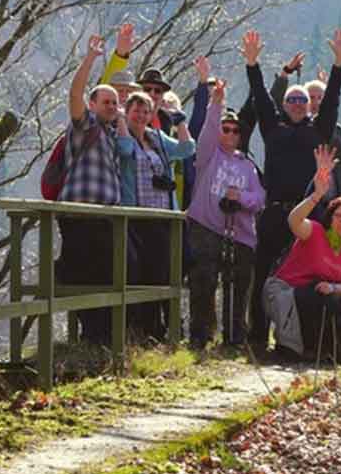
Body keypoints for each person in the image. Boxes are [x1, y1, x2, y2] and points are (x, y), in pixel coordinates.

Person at [243, 27, 341, 353]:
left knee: (303, 277)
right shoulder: (272, 127)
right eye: (293, 100)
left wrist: (339, 63)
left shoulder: (319, 131)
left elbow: (330, 102)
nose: (299, 104)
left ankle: (299, 340)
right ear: (284, 104)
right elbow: (260, 97)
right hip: (274, 211)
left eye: (303, 100)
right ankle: (258, 336)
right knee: (262, 274)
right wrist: (252, 64)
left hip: (308, 214)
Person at [186, 80, 265, 349]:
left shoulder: (248, 166)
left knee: (239, 286)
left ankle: (235, 337)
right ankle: (200, 334)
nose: (230, 134)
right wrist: (216, 103)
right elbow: (207, 131)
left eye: (235, 131)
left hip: (240, 233)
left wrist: (240, 198)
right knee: (204, 280)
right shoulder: (208, 154)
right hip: (206, 226)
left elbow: (259, 198)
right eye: (226, 129)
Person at [262, 146, 341, 361]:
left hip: (317, 297)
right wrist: (316, 195)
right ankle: (294, 347)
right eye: (340, 216)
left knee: (330, 300)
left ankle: (321, 350)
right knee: (316, 296)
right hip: (285, 292)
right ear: (330, 216)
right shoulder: (315, 231)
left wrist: (332, 287)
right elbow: (293, 220)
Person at [57, 36, 123, 345]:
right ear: (93, 105)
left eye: (114, 102)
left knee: (104, 278)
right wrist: (90, 60)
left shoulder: (111, 135)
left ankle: (98, 339)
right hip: (80, 214)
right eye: (105, 102)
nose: (111, 106)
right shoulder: (85, 126)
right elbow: (74, 93)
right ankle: (88, 338)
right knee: (82, 277)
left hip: (105, 219)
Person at [115, 89, 195, 340]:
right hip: (137, 216)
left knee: (165, 272)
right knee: (144, 274)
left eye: (146, 111)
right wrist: (121, 122)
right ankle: (147, 330)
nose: (141, 115)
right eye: (136, 110)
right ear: (127, 112)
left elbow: (187, 148)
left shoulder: (157, 138)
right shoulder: (121, 134)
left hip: (163, 216)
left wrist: (179, 120)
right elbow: (126, 150)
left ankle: (169, 330)